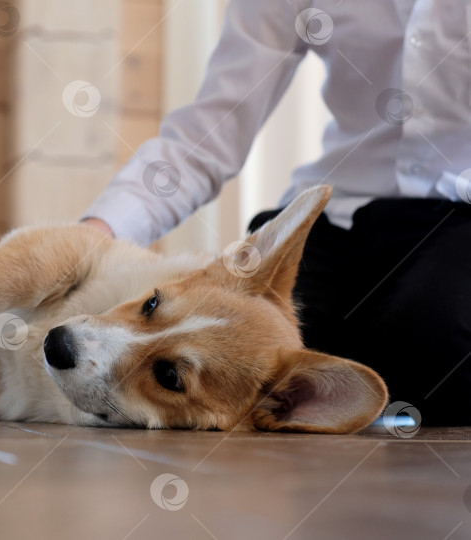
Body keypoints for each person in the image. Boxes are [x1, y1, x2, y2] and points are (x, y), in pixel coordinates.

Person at [81, 0, 471, 425]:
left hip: (459, 214)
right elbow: (212, 130)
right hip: (338, 210)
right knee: (241, 353)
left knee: (438, 344)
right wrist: (95, 236)